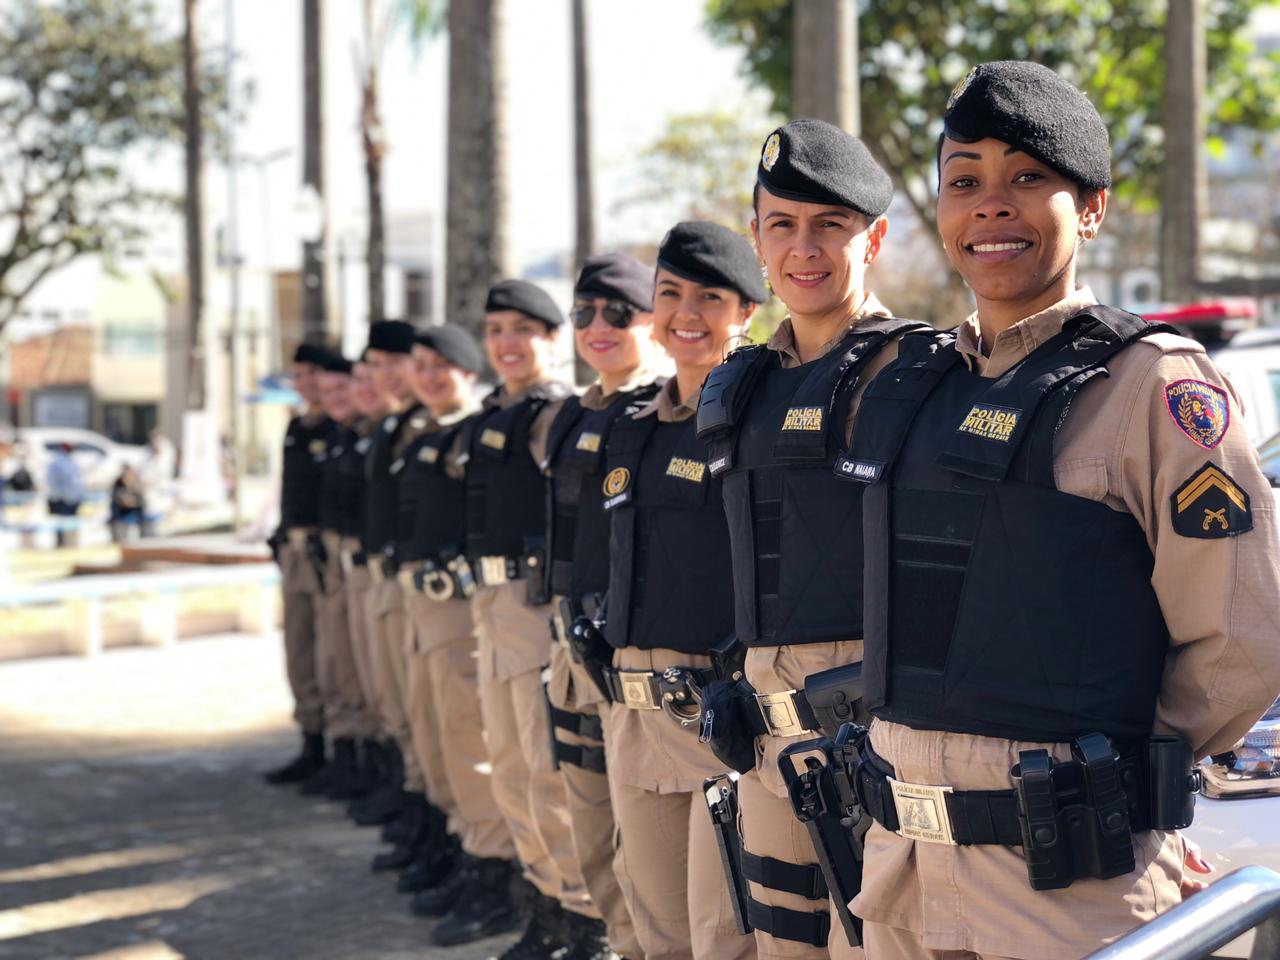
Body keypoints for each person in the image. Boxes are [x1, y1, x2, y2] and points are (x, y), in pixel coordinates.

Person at [839, 60, 1280, 959]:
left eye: (1027, 178)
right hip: (899, 876)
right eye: (965, 181)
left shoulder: (1153, 385)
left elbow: (1245, 635)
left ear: (1092, 208)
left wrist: (1110, 770)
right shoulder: (914, 385)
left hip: (1064, 882)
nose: (990, 205)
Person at [694, 118, 918, 960]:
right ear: (756, 238)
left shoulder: (914, 373)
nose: (804, 247)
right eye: (782, 224)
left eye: (830, 224)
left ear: (876, 238)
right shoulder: (742, 385)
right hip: (762, 747)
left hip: (868, 750)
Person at [600, 221, 766, 960]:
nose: (687, 313)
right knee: (656, 931)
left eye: (711, 297)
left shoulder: (757, 421)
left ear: (746, 314)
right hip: (633, 718)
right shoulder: (634, 425)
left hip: (717, 721)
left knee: (723, 937)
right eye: (671, 294)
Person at [430, 280, 589, 958]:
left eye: (523, 329)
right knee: (509, 767)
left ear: (553, 339)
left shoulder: (557, 414)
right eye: (496, 330)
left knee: (546, 770)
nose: (506, 343)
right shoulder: (495, 412)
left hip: (534, 608)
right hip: (489, 605)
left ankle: (584, 921)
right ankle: (545, 907)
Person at [542, 252, 662, 960]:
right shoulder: (571, 415)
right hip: (571, 646)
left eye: (618, 312)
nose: (598, 326)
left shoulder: (669, 408)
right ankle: (613, 943)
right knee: (586, 822)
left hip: (634, 658)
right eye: (583, 313)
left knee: (643, 842)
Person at [391, 324, 517, 916]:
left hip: (462, 609)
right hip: (423, 606)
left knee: (473, 743)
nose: (430, 374)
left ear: (468, 370)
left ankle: (493, 870)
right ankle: (462, 846)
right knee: (438, 737)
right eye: (421, 364)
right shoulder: (424, 431)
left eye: (443, 364)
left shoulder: (474, 432)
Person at [350, 319, 446, 855]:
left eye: (392, 363)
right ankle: (416, 805)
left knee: (426, 715)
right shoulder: (394, 425)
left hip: (424, 585)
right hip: (389, 574)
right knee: (398, 702)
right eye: (376, 366)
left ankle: (434, 824)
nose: (384, 376)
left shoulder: (428, 423)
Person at [305, 348, 376, 803]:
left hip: (367, 562)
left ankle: (374, 769)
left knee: (364, 672)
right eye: (325, 391)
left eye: (342, 388)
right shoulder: (340, 436)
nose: (333, 398)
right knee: (338, 665)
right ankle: (353, 761)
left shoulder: (369, 435)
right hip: (335, 558)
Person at [264, 343, 334, 784]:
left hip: (325, 552)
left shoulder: (340, 425)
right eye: (298, 375)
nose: (305, 383)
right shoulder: (296, 426)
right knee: (299, 651)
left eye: (313, 374)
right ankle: (311, 740)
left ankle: (340, 750)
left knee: (333, 655)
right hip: (293, 550)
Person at [46, 441, 84, 548]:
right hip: (61, 499)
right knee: (60, 524)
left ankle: (70, 544)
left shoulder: (71, 461)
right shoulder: (57, 462)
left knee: (71, 524)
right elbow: (52, 481)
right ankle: (61, 544)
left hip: (72, 498)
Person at [109, 464, 146, 542]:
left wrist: (133, 502)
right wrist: (124, 501)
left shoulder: (136, 485)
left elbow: (141, 501)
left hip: (136, 513)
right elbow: (117, 498)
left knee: (147, 523)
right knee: (117, 526)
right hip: (120, 515)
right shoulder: (118, 485)